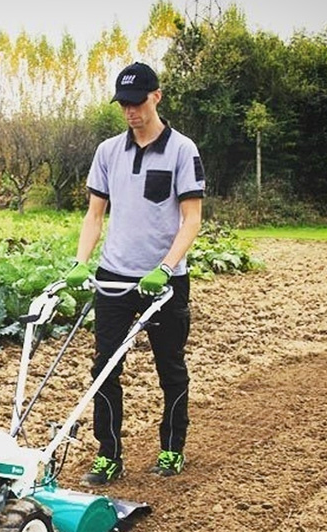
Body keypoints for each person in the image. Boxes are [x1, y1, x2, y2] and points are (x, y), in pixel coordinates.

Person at [65, 62, 205, 484]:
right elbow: (94, 215)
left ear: (156, 97)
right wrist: (80, 260)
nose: (131, 112)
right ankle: (109, 455)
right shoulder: (108, 152)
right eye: (124, 104)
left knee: (170, 366)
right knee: (104, 368)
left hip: (164, 283)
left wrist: (165, 268)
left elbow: (192, 219)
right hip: (114, 277)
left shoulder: (183, 150)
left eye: (138, 102)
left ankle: (171, 449)